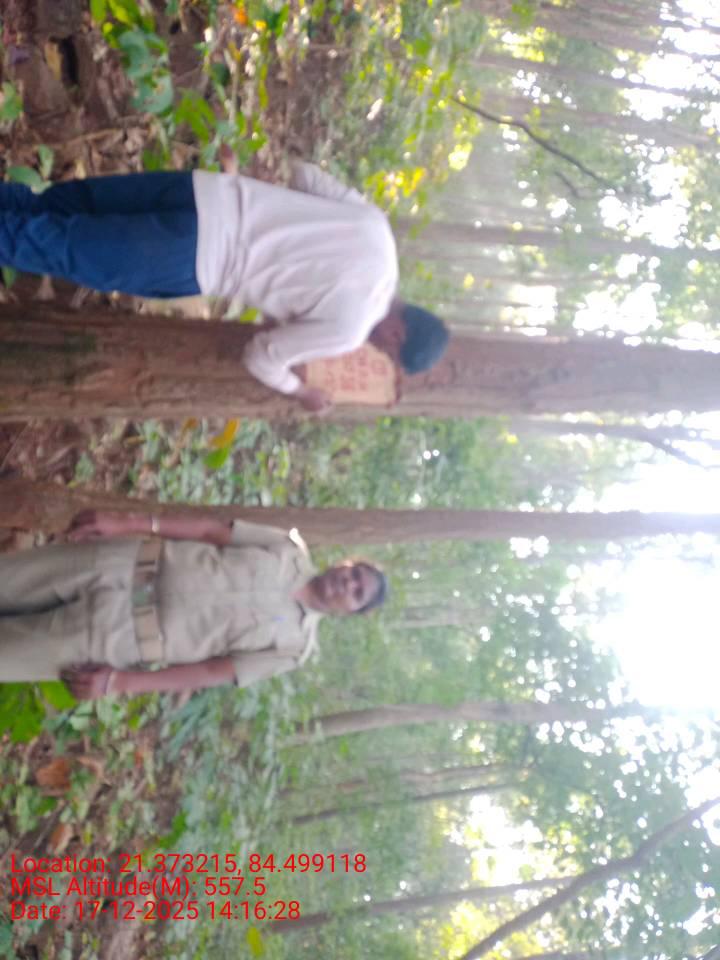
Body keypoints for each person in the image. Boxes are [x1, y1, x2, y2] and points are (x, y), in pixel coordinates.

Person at [0, 155, 449, 412]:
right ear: (398, 333)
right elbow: (262, 355)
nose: (376, 351)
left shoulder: (377, 231)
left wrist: (285, 223)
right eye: (387, 352)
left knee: (49, 207)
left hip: (205, 192)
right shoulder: (351, 328)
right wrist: (301, 391)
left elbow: (305, 175)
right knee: (45, 245)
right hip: (195, 257)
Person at [0, 510, 387, 700]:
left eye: (357, 592)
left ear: (351, 612)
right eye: (354, 573)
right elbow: (209, 531)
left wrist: (118, 683)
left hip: (115, 635)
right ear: (345, 563)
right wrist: (125, 522)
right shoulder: (287, 548)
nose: (348, 583)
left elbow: (210, 671)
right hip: (117, 565)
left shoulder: (293, 648)